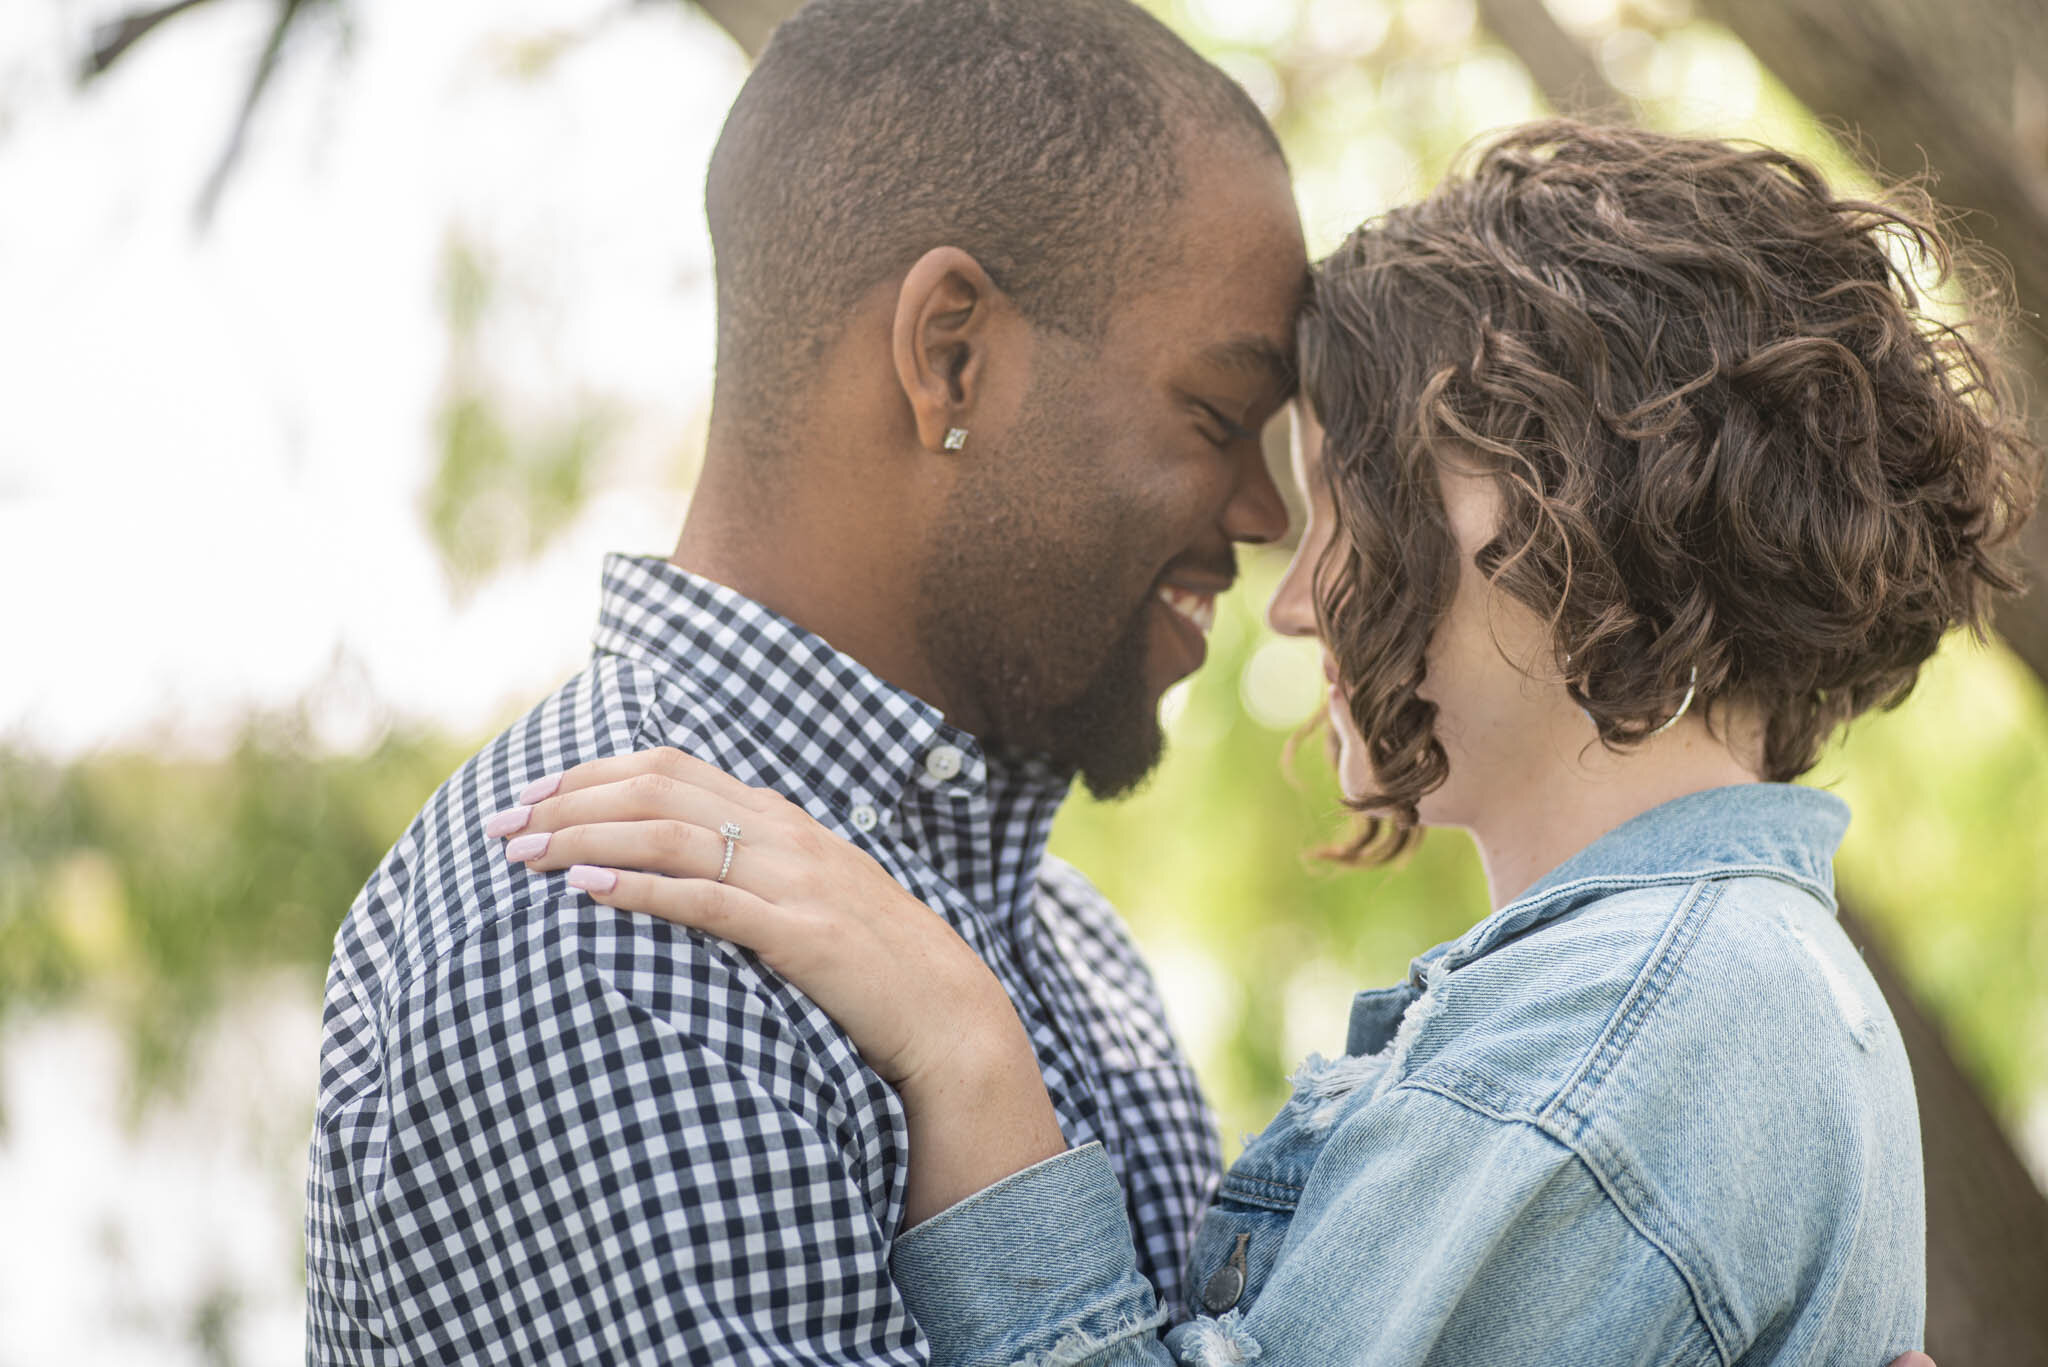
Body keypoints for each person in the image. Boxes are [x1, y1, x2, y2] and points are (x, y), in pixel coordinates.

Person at [496, 125, 2037, 1363]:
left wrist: (964, 1056)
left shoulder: (1630, 1031)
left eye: (1347, 511)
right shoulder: (1707, 994)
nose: (1294, 601)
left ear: (1550, 498)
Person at [304, 1, 1306, 1360]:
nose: (1268, 515)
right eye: (1216, 417)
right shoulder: (617, 937)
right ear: (950, 353)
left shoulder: (1070, 951)